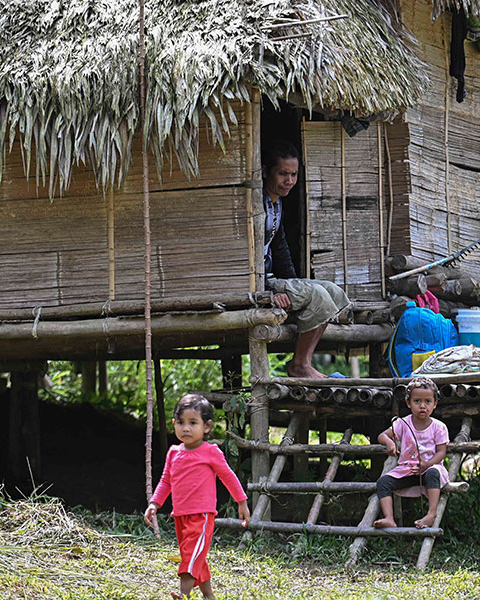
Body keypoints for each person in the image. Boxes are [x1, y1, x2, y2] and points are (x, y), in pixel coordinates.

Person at [145, 394, 250, 599]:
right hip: (180, 515)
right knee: (194, 556)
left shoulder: (210, 452)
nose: (186, 428)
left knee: (191, 556)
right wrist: (154, 503)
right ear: (174, 423)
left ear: (207, 427)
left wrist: (242, 501)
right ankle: (208, 596)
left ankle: (183, 595)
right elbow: (166, 480)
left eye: (193, 423)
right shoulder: (174, 453)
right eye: (181, 422)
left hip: (202, 516)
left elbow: (228, 476)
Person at [262, 139, 351, 378]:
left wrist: (293, 284)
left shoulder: (277, 204)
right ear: (266, 171)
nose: (289, 181)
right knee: (319, 296)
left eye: (293, 174)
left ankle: (305, 361)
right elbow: (245, 258)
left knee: (333, 292)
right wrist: (268, 293)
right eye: (282, 174)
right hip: (259, 283)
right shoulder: (256, 205)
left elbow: (279, 249)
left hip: (273, 279)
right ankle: (299, 365)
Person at [372, 377, 449, 529]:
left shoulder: (439, 427)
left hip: (429, 469)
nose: (422, 406)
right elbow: (382, 435)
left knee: (433, 473)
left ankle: (431, 514)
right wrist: (390, 443)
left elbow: (441, 453)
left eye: (428, 401)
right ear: (408, 403)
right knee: (383, 482)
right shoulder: (402, 423)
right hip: (407, 471)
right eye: (417, 401)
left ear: (435, 404)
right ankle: (389, 518)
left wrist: (427, 464)